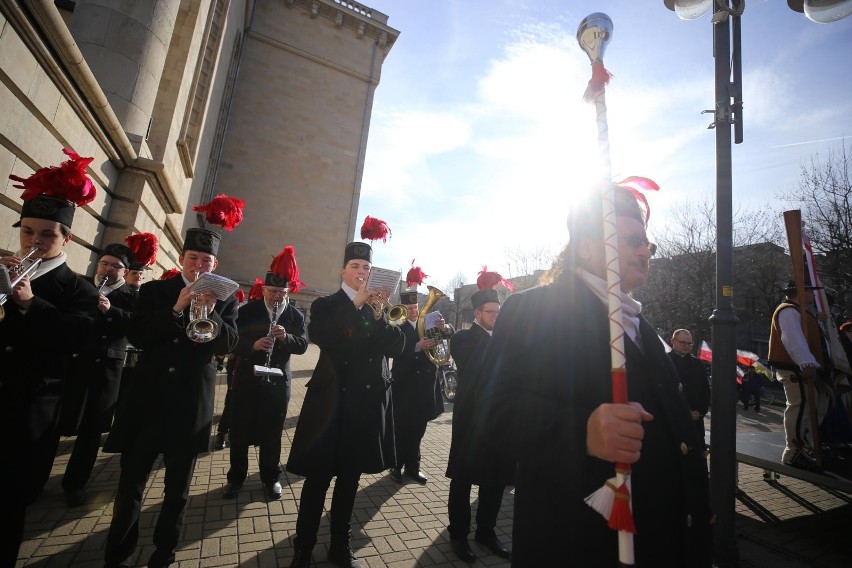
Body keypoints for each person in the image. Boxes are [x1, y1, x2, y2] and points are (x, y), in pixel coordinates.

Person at [477, 184, 713, 567]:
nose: (644, 251)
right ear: (587, 246)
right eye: (633, 240)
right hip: (582, 543)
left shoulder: (645, 329)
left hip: (660, 542)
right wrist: (581, 431)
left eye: (648, 244)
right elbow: (491, 414)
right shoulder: (534, 310)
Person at [102, 225, 239, 568]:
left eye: (206, 261)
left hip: (190, 403)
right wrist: (177, 308)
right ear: (181, 260)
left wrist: (211, 315)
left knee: (177, 491)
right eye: (192, 258)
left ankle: (164, 552)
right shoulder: (154, 291)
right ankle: (118, 553)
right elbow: (140, 334)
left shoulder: (227, 298)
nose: (199, 265)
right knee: (130, 484)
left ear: (215, 265)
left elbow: (228, 345)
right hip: (148, 400)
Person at [0, 149, 99, 565]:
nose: (33, 242)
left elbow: (78, 338)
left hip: (27, 413)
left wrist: (29, 304)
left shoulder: (80, 289)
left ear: (66, 239)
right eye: (27, 232)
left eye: (46, 235)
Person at [286, 241, 405, 568]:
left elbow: (396, 348)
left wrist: (382, 315)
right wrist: (355, 304)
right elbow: (324, 336)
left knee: (350, 479)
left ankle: (340, 545)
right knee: (318, 479)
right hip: (330, 405)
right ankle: (303, 548)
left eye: (367, 268)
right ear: (343, 271)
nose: (361, 272)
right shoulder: (328, 304)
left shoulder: (379, 309)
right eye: (356, 267)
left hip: (364, 405)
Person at [223, 246, 308, 500]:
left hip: (277, 382)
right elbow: (231, 341)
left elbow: (303, 345)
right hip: (247, 379)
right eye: (272, 292)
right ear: (263, 290)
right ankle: (235, 479)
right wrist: (252, 345)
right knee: (239, 433)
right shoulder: (247, 311)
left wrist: (287, 338)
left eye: (282, 292)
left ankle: (270, 479)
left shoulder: (294, 314)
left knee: (272, 435)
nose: (277, 297)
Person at [59, 242, 139, 507]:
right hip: (73, 364)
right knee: (55, 422)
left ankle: (75, 484)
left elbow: (137, 327)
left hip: (106, 368)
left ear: (125, 271)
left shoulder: (132, 296)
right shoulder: (81, 285)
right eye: (105, 264)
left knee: (91, 430)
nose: (109, 269)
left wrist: (109, 310)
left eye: (116, 266)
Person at [445, 280, 513, 562]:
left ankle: (486, 531)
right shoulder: (463, 338)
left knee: (495, 480)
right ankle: (459, 536)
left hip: (500, 420)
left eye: (498, 311)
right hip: (472, 419)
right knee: (463, 479)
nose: (495, 317)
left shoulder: (505, 338)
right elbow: (478, 366)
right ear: (476, 313)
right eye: (490, 312)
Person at [768, 280, 831, 466]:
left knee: (812, 406)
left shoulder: (798, 311)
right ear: (802, 292)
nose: (813, 296)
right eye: (811, 291)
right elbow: (792, 339)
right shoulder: (788, 310)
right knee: (800, 405)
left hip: (802, 366)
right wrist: (806, 362)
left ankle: (807, 445)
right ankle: (794, 450)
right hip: (795, 367)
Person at [388, 289, 447, 485]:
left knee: (418, 431)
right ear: (402, 308)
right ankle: (395, 466)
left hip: (425, 387)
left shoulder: (427, 322)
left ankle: (413, 467)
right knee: (401, 430)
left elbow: (445, 338)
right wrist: (416, 347)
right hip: (405, 386)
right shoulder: (397, 325)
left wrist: (444, 327)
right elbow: (393, 352)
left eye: (415, 307)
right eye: (409, 308)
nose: (413, 311)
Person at [668, 329, 711, 446]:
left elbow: (705, 391)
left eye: (689, 343)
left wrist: (700, 412)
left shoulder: (698, 364)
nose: (686, 346)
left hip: (695, 423)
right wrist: (683, 412)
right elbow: (662, 393)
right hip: (672, 423)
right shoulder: (664, 362)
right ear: (673, 341)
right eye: (683, 343)